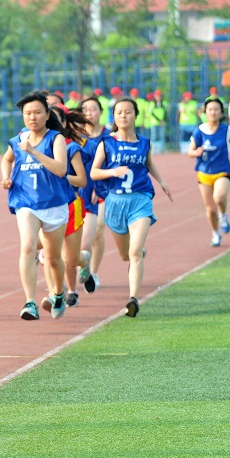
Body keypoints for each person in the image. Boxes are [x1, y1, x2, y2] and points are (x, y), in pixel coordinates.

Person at [90, 97, 173, 317]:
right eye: (119, 112)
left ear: (136, 115)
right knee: (126, 255)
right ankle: (137, 252)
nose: (123, 116)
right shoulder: (106, 143)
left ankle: (133, 299)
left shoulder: (145, 142)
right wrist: (112, 172)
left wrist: (162, 182)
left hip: (140, 200)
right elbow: (94, 172)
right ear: (114, 116)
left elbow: (149, 163)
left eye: (128, 112)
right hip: (115, 202)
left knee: (134, 252)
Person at [0, 91, 69, 320]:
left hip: (54, 204)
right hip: (26, 201)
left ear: (47, 115)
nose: (32, 117)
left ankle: (58, 293)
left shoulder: (56, 139)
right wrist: (6, 177)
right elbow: (7, 158)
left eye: (37, 112)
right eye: (27, 113)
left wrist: (33, 151)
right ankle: (30, 302)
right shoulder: (18, 139)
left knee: (53, 257)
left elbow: (61, 169)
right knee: (28, 246)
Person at [38, 106, 90, 311]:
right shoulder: (35, 147)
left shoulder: (70, 147)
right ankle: (54, 295)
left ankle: (84, 260)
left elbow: (82, 180)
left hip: (70, 204)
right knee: (50, 254)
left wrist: (60, 175)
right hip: (46, 206)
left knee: (71, 258)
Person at [187, 97, 230, 247]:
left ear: (221, 112)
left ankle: (223, 215)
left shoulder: (227, 130)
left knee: (219, 197)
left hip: (222, 170)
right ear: (205, 112)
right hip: (204, 173)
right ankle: (215, 234)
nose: (213, 112)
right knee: (210, 210)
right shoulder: (199, 131)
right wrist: (196, 152)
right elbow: (190, 152)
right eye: (210, 109)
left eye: (216, 109)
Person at [78, 96, 110, 292]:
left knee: (98, 229)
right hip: (81, 189)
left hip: (103, 189)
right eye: (85, 110)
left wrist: (100, 187)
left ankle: (94, 272)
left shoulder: (109, 136)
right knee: (82, 237)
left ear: (100, 112)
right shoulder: (77, 136)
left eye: (93, 109)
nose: (89, 113)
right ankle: (84, 266)